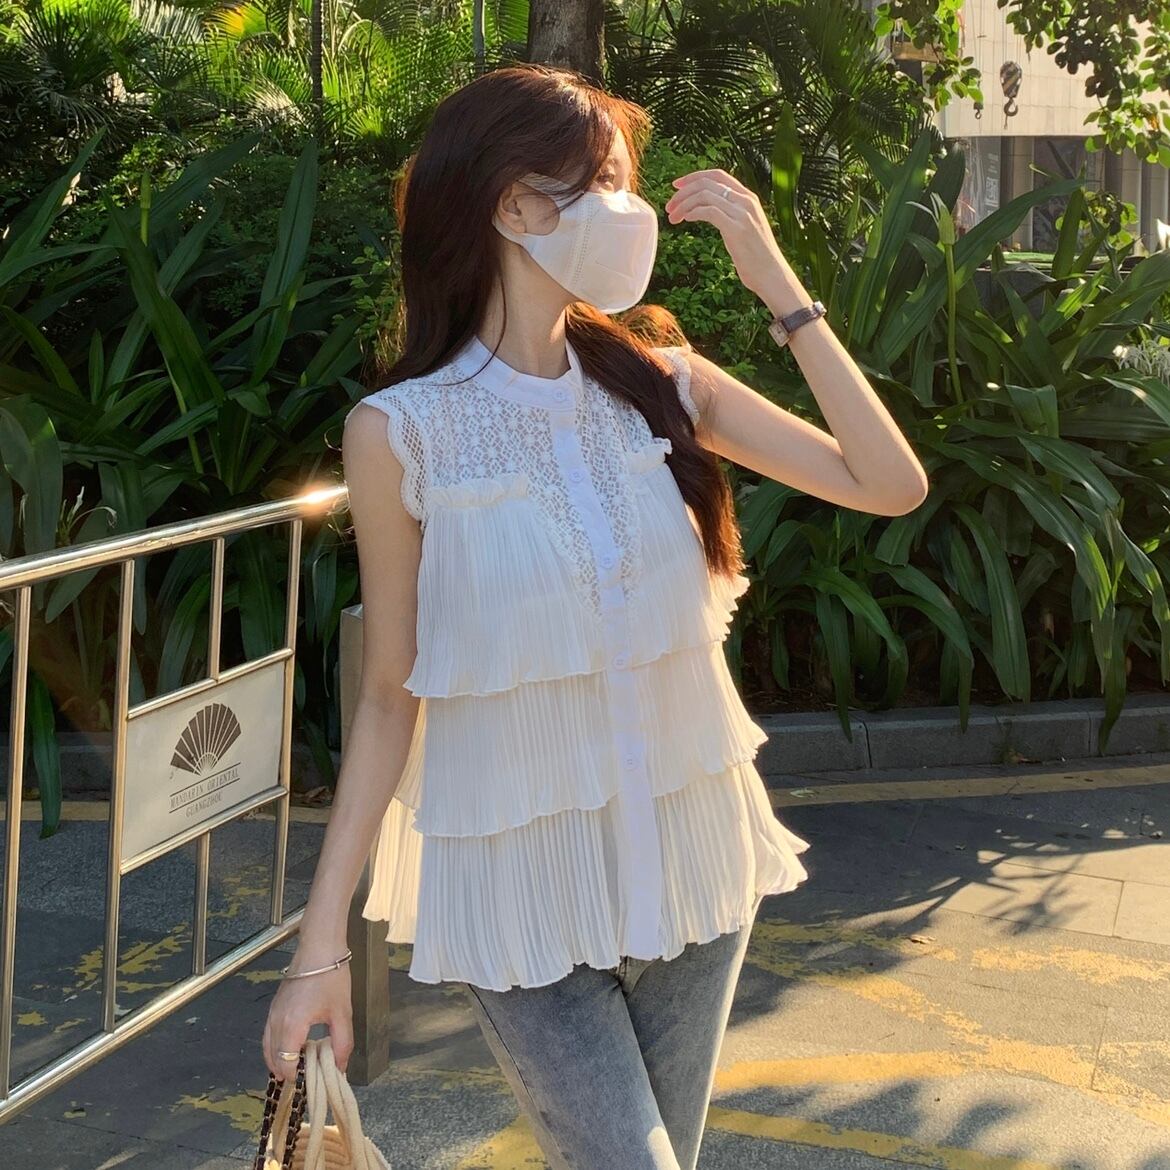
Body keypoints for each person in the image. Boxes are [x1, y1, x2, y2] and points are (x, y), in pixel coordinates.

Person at [262, 63, 928, 1169]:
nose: (632, 209)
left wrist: (777, 283)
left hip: (693, 867)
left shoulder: (669, 385)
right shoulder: (401, 431)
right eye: (608, 181)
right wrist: (318, 949)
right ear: (514, 205)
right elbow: (389, 695)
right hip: (524, 901)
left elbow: (888, 483)